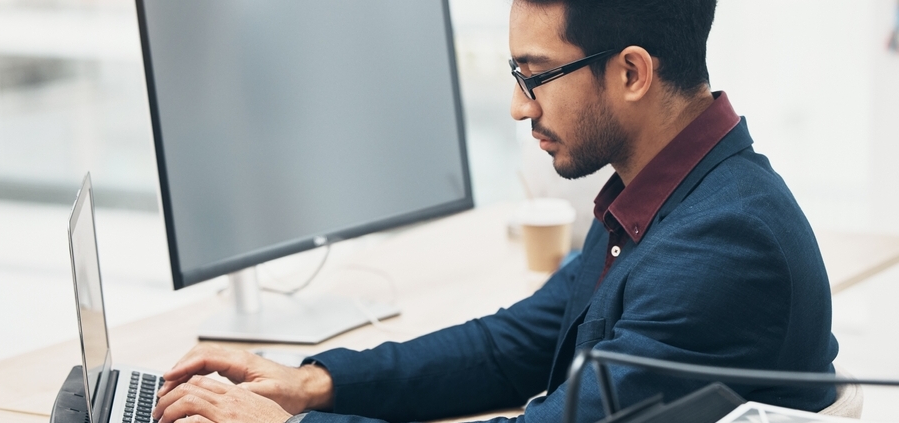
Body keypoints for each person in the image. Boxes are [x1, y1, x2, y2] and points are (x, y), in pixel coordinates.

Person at [153, 0, 840, 422]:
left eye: (535, 76)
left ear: (631, 73)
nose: (519, 106)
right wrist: (312, 383)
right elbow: (515, 343)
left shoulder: (722, 248)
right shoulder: (663, 200)